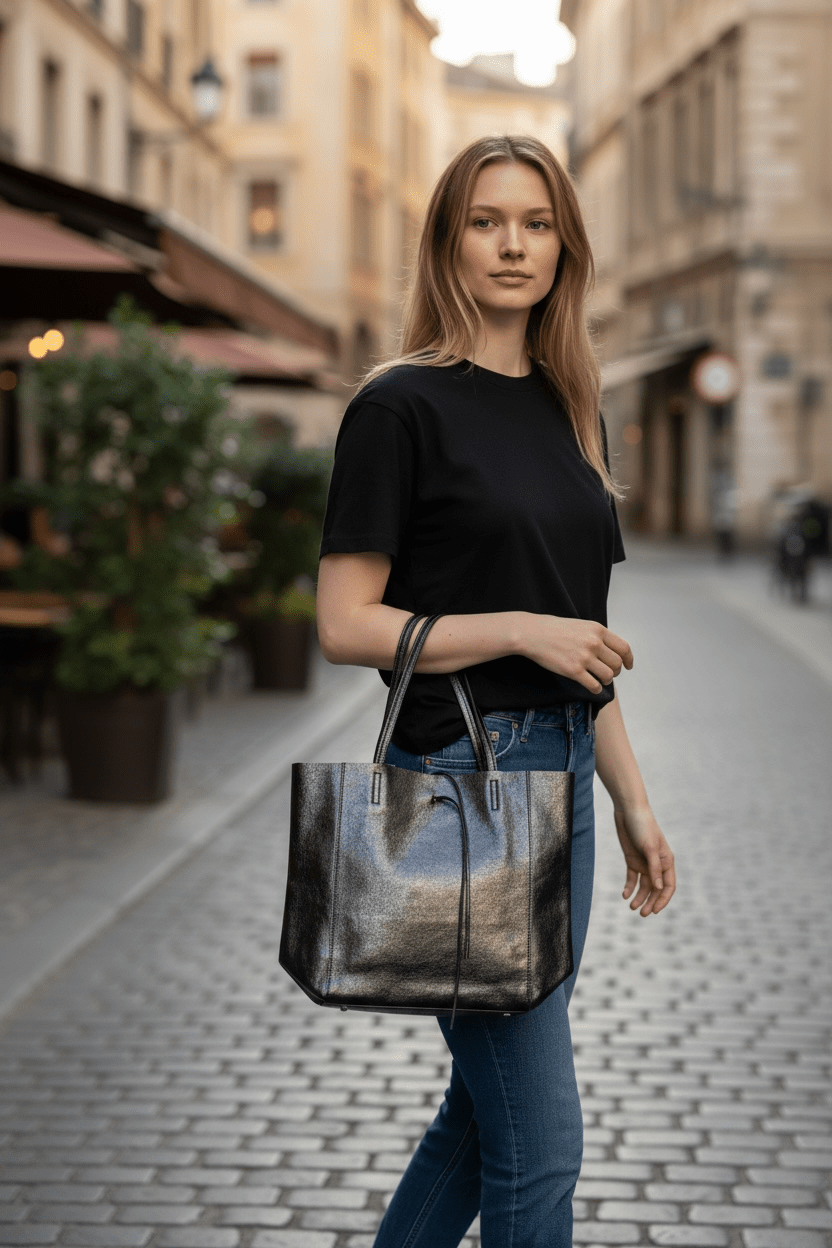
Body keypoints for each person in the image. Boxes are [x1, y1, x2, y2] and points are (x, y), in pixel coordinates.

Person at [315, 135, 676, 1248]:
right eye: (484, 220)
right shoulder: (399, 407)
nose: (512, 243)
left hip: (562, 770)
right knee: (540, 1146)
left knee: (480, 1128)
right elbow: (343, 625)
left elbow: (587, 643)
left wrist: (632, 803)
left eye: (534, 221)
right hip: (465, 782)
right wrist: (515, 628)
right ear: (447, 242)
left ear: (565, 243)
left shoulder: (574, 409)